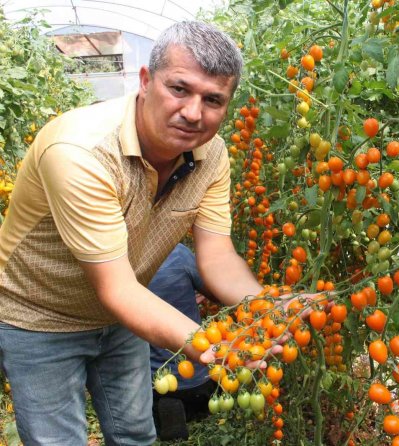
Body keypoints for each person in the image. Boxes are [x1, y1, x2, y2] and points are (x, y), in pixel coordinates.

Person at [0, 21, 265, 445]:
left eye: (213, 99)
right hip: (40, 316)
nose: (194, 112)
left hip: (126, 313)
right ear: (145, 81)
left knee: (136, 433)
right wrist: (209, 343)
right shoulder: (80, 151)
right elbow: (116, 286)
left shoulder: (211, 155)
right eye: (179, 88)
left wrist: (266, 307)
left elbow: (216, 256)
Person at [148, 243, 217, 441]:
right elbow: (214, 287)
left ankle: (170, 409)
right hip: (201, 378)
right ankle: (200, 408)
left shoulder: (120, 263)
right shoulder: (177, 253)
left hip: (158, 386)